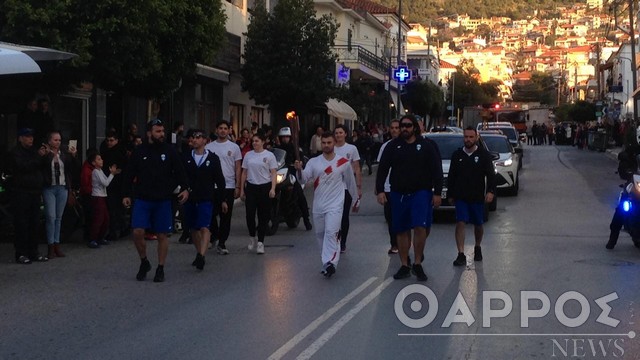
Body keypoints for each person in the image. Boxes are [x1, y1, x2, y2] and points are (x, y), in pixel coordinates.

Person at [376, 114, 443, 281]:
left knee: (420, 227)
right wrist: (380, 191)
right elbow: (383, 169)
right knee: (401, 229)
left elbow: (437, 170)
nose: (404, 128)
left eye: (407, 125)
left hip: (421, 192)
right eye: (402, 126)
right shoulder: (392, 146)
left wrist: (437, 193)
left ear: (414, 127)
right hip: (398, 193)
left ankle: (418, 262)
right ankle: (405, 264)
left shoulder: (427, 145)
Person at [122, 119, 190, 282]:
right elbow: (129, 173)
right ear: (149, 133)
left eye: (162, 131)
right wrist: (125, 194)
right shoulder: (139, 151)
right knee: (137, 232)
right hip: (143, 199)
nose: (161, 134)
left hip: (163, 200)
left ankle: (160, 267)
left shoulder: (170, 151)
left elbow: (180, 171)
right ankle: (144, 261)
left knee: (162, 235)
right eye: (158, 131)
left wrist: (185, 188)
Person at [294, 132, 358, 277]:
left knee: (331, 232)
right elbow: (303, 180)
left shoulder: (343, 163)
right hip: (319, 205)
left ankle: (331, 263)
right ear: (320, 144)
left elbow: (350, 182)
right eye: (324, 143)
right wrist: (299, 170)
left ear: (334, 143)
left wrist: (355, 199)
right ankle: (326, 262)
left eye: (329, 142)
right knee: (321, 234)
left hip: (335, 204)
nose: (326, 145)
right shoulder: (314, 162)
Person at [447, 127, 496, 266]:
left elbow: (491, 175)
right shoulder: (457, 155)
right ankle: (461, 253)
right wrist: (450, 194)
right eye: (466, 137)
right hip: (461, 196)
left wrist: (490, 191)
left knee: (478, 224)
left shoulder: (483, 155)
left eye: (471, 137)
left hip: (477, 196)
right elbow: (452, 176)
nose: (468, 139)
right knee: (460, 222)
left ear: (476, 138)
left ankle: (477, 246)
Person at [183, 129, 226, 270]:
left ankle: (202, 255)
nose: (194, 140)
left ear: (205, 140)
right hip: (190, 198)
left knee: (204, 226)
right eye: (193, 137)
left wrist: (223, 199)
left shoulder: (212, 159)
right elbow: (180, 176)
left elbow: (220, 180)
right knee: (193, 229)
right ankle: (198, 251)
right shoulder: (186, 157)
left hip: (206, 197)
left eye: (198, 137)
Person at [5, 128, 48, 264]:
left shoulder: (34, 151)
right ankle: (21, 253)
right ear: (20, 138)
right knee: (21, 223)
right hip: (21, 192)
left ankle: (33, 251)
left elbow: (40, 166)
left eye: (31, 136)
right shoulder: (15, 152)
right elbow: (23, 166)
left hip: (35, 191)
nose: (31, 139)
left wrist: (44, 156)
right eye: (27, 136)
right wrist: (38, 157)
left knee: (34, 223)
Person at [205, 120, 243, 255]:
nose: (222, 131)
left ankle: (222, 242)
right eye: (220, 128)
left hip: (228, 186)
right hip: (212, 186)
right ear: (216, 130)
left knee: (225, 216)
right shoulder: (209, 147)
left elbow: (238, 167)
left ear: (229, 131)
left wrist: (238, 186)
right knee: (210, 214)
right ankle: (214, 235)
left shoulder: (234, 148)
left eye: (225, 128)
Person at [41, 131, 78, 259]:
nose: (58, 142)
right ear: (49, 141)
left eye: (59, 140)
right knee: (50, 217)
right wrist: (46, 155)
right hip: (49, 188)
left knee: (58, 218)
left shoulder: (64, 154)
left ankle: (57, 245)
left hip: (62, 187)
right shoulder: (45, 152)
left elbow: (71, 169)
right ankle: (50, 246)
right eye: (55, 140)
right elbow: (41, 166)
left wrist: (73, 156)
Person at [240, 133, 277, 254]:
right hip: (251, 187)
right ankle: (252, 237)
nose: (254, 143)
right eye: (253, 141)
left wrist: (272, 188)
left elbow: (273, 173)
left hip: (264, 187)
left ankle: (261, 242)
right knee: (250, 214)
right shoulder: (248, 155)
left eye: (257, 141)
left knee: (263, 216)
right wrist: (241, 190)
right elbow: (244, 173)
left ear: (262, 142)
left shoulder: (269, 155)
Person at [275, 126, 312, 230]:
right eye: (283, 137)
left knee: (299, 193)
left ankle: (306, 219)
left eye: (287, 137)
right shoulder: (276, 148)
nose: (285, 139)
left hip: (292, 174)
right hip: (280, 173)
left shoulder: (296, 149)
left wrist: (299, 163)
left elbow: (301, 161)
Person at [333, 124, 362, 253]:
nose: (338, 135)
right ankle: (334, 239)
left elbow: (357, 168)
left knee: (344, 216)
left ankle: (343, 241)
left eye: (341, 132)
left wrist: (358, 187)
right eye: (336, 133)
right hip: (332, 188)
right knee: (334, 216)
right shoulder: (330, 148)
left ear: (345, 134)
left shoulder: (352, 149)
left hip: (347, 188)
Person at [376, 119, 400, 255]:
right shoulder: (385, 146)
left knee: (401, 217)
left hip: (401, 188)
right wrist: (379, 188)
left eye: (397, 127)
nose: (395, 130)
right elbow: (381, 169)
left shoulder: (406, 145)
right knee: (390, 218)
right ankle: (394, 243)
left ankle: (403, 242)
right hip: (387, 188)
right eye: (392, 128)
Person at [100, 131, 128, 240]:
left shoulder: (117, 152)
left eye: (112, 140)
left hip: (115, 183)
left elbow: (121, 169)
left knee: (114, 209)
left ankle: (114, 231)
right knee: (116, 209)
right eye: (108, 140)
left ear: (116, 140)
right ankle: (120, 229)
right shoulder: (110, 151)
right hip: (113, 182)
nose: (109, 143)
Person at [88, 153, 119, 248]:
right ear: (93, 162)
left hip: (102, 196)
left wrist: (111, 173)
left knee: (106, 218)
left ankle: (100, 237)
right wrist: (112, 174)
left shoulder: (100, 170)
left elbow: (105, 180)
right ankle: (93, 239)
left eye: (101, 159)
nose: (101, 160)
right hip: (97, 197)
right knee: (99, 218)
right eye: (98, 159)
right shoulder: (95, 172)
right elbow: (105, 183)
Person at [80, 148, 98, 244]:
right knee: (90, 216)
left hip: (90, 194)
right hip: (89, 195)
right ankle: (90, 236)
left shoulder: (89, 168)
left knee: (90, 216)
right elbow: (85, 185)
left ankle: (90, 235)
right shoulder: (87, 170)